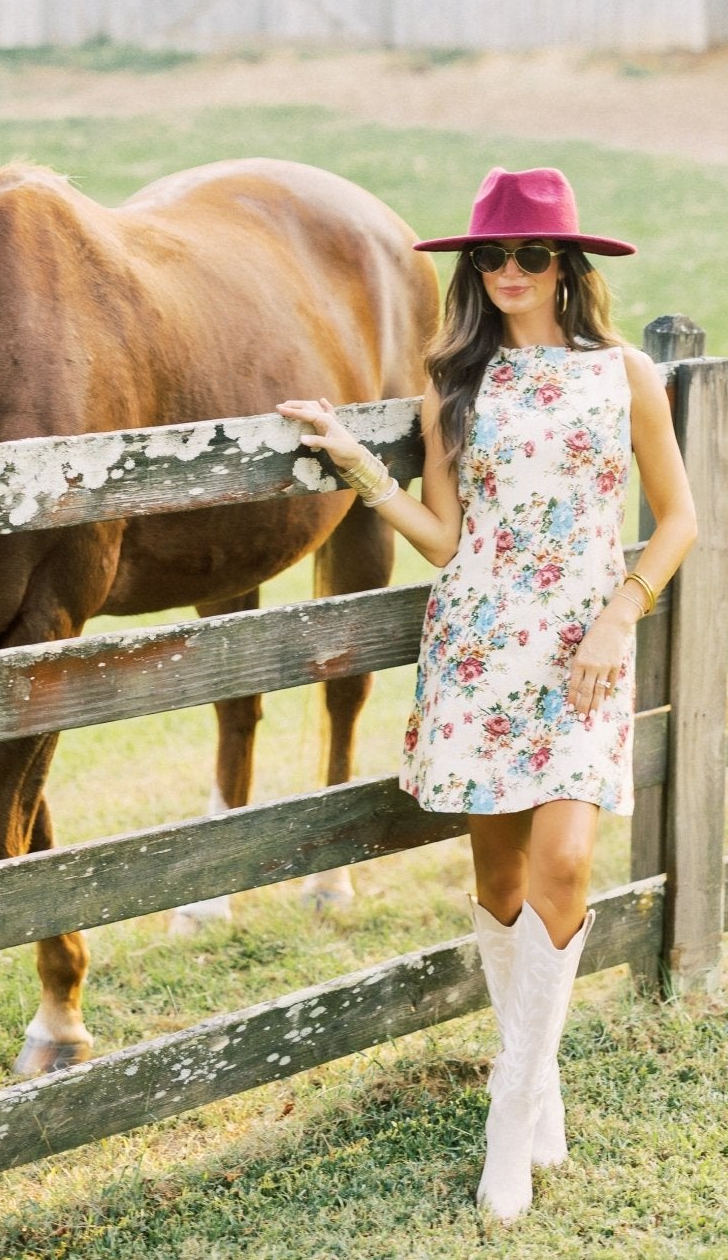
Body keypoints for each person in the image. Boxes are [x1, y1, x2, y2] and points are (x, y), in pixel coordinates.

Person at [276, 164, 697, 1223]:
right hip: (477, 646)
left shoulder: (626, 374)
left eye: (531, 254)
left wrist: (619, 611)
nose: (508, 271)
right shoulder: (452, 383)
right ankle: (540, 1081)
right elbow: (449, 537)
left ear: (569, 264)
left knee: (564, 859)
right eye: (491, 255)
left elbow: (680, 516)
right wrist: (355, 468)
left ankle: (511, 1114)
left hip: (583, 653)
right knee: (502, 879)